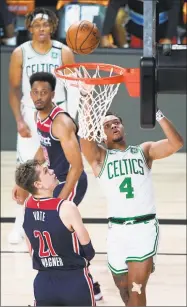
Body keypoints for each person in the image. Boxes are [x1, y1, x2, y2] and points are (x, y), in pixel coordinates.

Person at [13, 71, 103, 301]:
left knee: (63, 229)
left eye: (44, 92)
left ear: (53, 94)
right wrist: (23, 182)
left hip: (69, 180)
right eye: (35, 92)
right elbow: (44, 151)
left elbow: (77, 166)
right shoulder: (37, 116)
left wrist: (58, 204)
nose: (39, 96)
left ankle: (88, 281)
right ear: (30, 94)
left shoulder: (60, 122)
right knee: (46, 227)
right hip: (51, 179)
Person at [79, 108, 183, 306]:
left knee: (137, 289)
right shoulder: (100, 158)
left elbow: (176, 143)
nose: (113, 126)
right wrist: (87, 101)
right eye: (107, 126)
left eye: (116, 122)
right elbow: (85, 139)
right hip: (117, 232)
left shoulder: (143, 151)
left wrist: (158, 114)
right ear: (102, 134)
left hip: (144, 228)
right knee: (125, 290)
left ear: (123, 127)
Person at [8, 7, 79, 244]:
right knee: (28, 171)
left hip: (57, 114)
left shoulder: (64, 52)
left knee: (56, 172)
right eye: (37, 24)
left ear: (52, 27)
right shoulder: (21, 53)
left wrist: (72, 118)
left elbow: (74, 87)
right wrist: (19, 119)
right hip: (30, 114)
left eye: (46, 24)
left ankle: (56, 218)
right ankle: (21, 223)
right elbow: (14, 89)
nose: (41, 28)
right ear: (29, 27)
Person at [15, 159, 96, 306]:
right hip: (74, 281)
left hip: (44, 284)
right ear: (38, 184)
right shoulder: (66, 207)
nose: (52, 171)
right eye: (46, 171)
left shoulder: (27, 207)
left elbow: (31, 250)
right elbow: (89, 250)